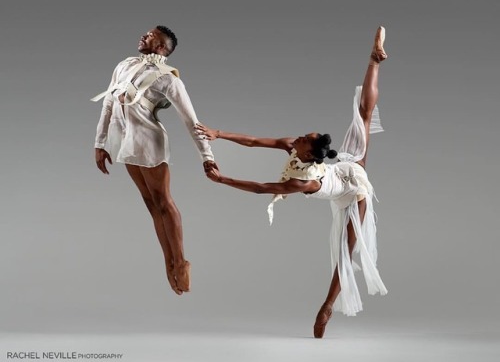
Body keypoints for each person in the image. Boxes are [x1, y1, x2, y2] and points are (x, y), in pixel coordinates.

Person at [196, 27, 388, 337]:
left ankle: (327, 306)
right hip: (346, 165)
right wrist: (219, 134)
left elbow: (262, 188)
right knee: (362, 116)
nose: (298, 136)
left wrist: (223, 180)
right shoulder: (294, 145)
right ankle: (374, 60)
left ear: (310, 155)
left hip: (352, 193)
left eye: (304, 139)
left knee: (345, 253)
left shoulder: (305, 184)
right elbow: (254, 141)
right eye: (304, 134)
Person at [91, 25, 217, 295]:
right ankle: (168, 262)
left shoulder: (169, 79)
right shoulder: (124, 65)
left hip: (150, 143)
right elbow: (109, 104)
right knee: (151, 204)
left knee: (164, 201)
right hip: (126, 143)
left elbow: (191, 121)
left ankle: (180, 261)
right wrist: (100, 143)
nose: (143, 36)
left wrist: (207, 156)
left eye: (150, 36)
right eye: (145, 33)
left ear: (162, 47)